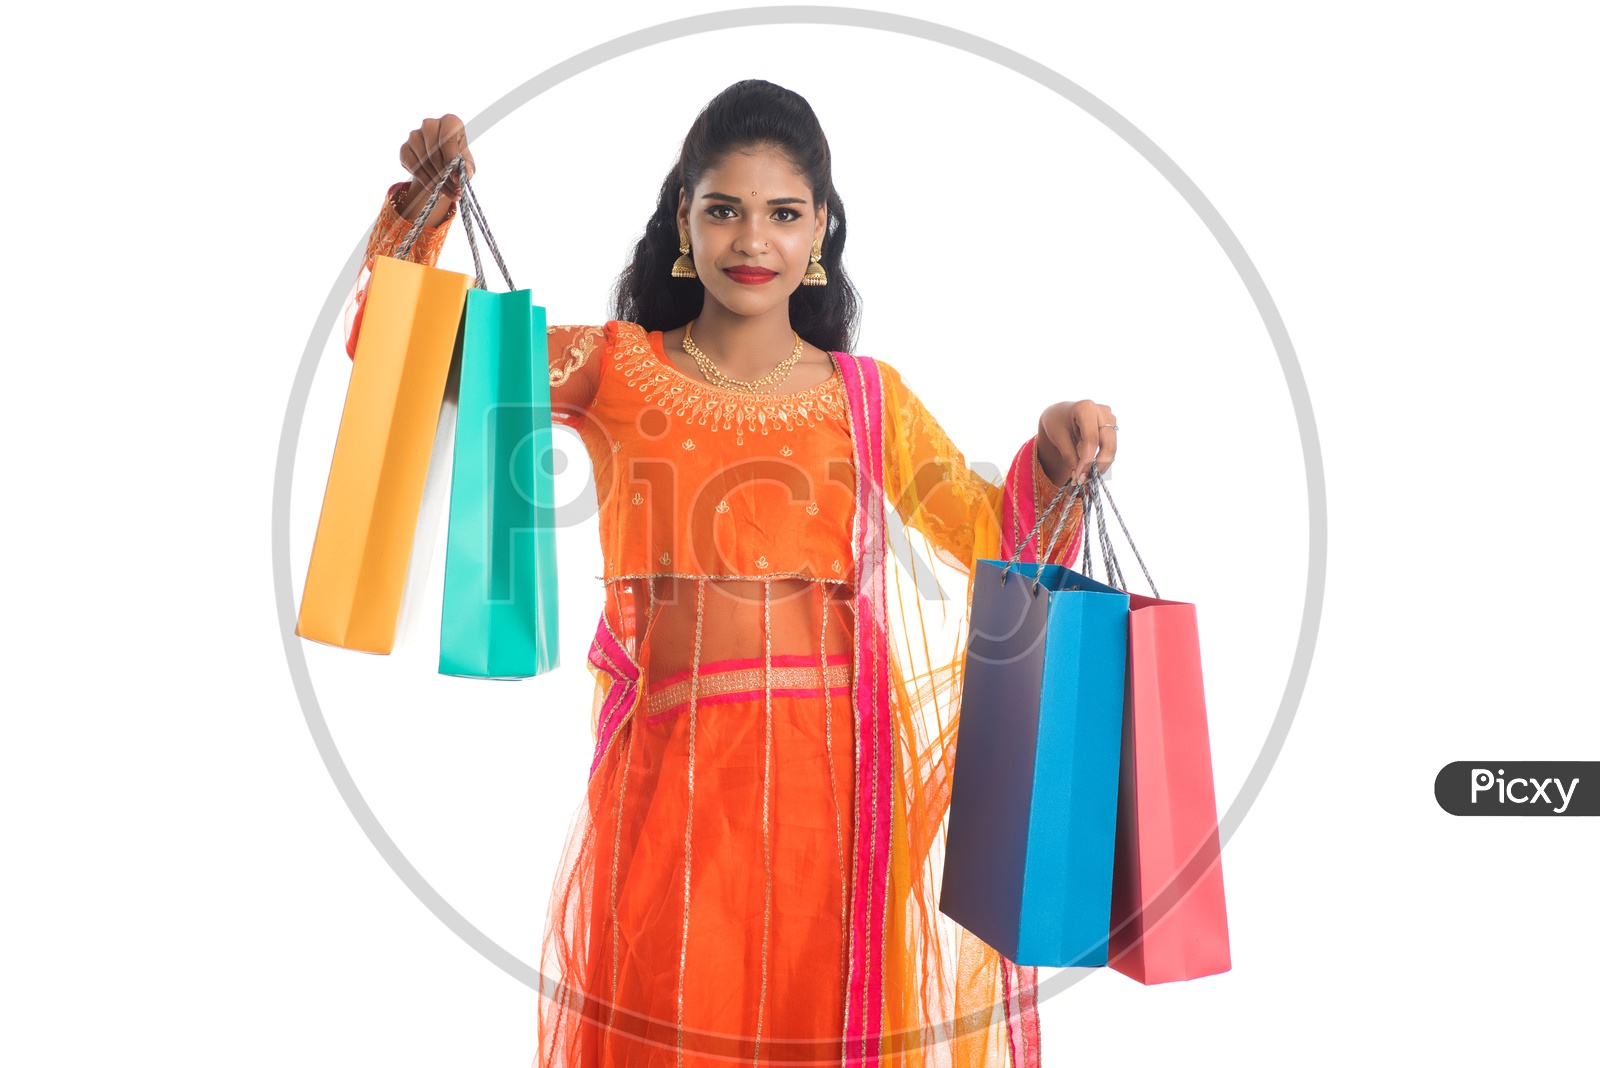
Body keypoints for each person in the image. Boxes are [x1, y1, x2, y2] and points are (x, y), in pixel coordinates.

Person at [343, 80, 1119, 1068]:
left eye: (783, 214)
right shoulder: (613, 366)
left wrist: (1053, 459)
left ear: (821, 233)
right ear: (685, 222)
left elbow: (999, 545)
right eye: (726, 210)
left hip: (836, 783)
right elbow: (401, 355)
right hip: (670, 773)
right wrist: (422, 208)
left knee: (825, 1029)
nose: (754, 238)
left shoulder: (865, 399)